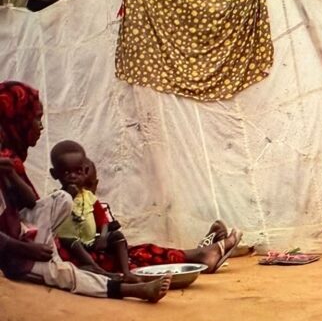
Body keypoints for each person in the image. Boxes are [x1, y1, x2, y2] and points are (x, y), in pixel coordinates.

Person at [0, 81, 171, 302]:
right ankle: (128, 289)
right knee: (66, 273)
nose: (41, 127)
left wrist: (12, 174)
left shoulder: (9, 160)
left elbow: (31, 203)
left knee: (63, 199)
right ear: (17, 120)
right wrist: (26, 250)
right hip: (14, 254)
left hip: (27, 235)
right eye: (36, 118)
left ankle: (101, 271)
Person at [49, 141, 240, 279]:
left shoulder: (91, 201)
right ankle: (202, 254)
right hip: (81, 256)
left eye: (83, 177)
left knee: (141, 250)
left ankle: (201, 253)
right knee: (141, 255)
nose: (76, 180)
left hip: (100, 248)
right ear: (56, 175)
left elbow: (105, 225)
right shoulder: (57, 200)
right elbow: (57, 232)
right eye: (67, 173)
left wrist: (104, 236)